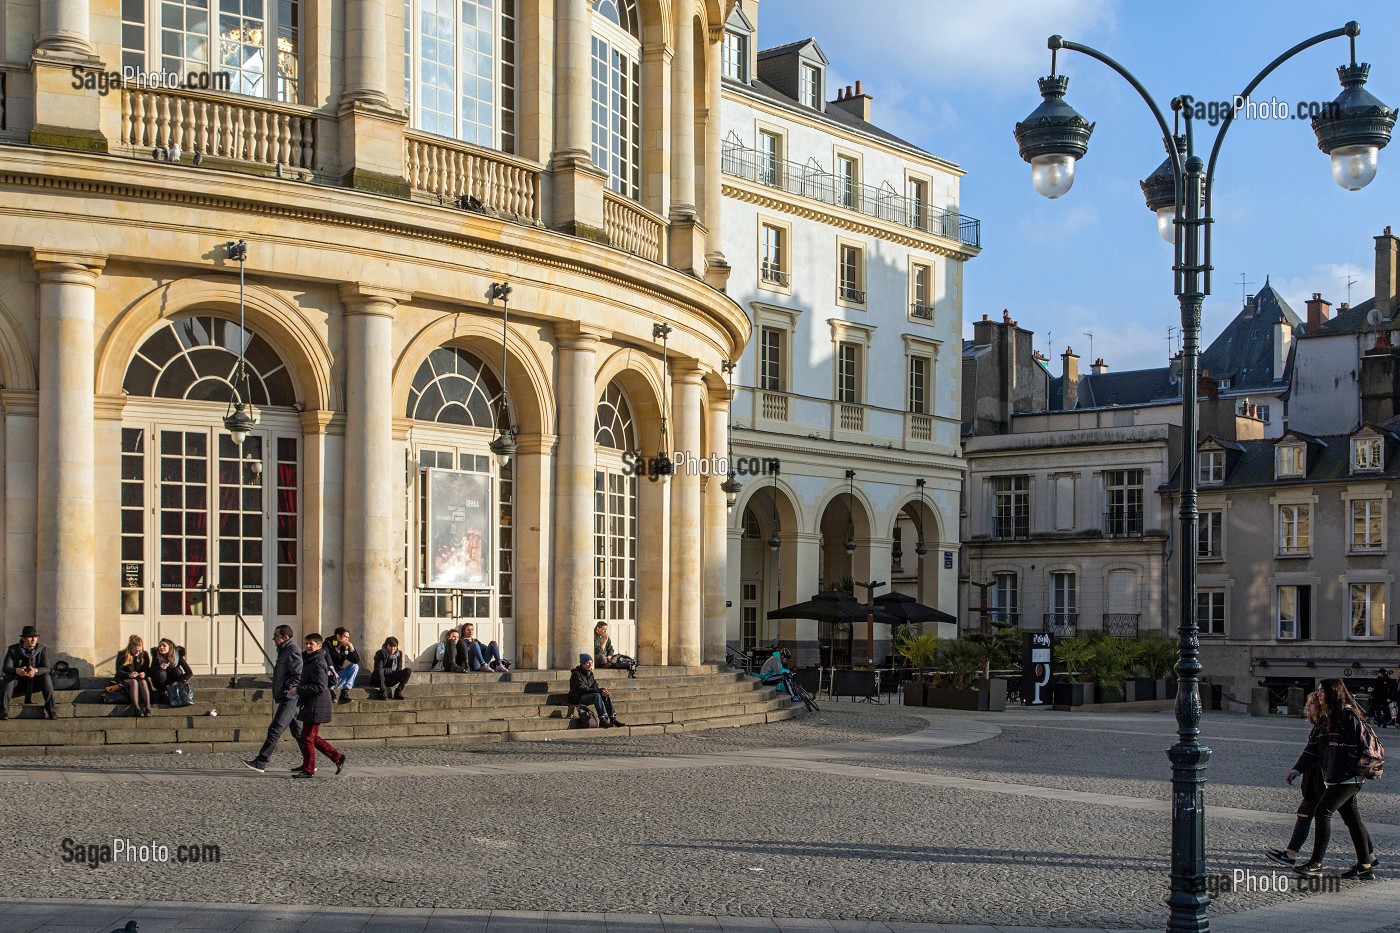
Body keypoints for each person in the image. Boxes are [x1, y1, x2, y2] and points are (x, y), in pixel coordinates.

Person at [1289, 679, 1378, 878]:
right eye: (1318, 691)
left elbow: (1355, 749)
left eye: (1322, 691)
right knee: (1353, 821)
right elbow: (1312, 749)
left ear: (1332, 693)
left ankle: (1316, 863)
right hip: (1336, 778)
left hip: (1348, 778)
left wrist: (1345, 771)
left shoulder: (1347, 716)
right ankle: (1366, 866)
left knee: (1322, 812)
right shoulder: (1325, 718)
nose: (1319, 694)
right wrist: (1297, 770)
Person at [1266, 691, 1326, 867]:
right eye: (1308, 703)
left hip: (1321, 781)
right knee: (1307, 814)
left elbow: (1313, 753)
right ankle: (1367, 858)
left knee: (1308, 813)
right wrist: (1297, 770)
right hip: (1317, 781)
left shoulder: (1324, 726)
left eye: (1312, 703)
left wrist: (1298, 769)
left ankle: (1295, 856)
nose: (1308, 706)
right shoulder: (1319, 726)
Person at [245, 624, 303, 773]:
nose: (273, 638)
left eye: (276, 635)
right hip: (288, 695)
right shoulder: (284, 650)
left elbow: (298, 674)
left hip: (291, 697)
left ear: (285, 637)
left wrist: (286, 687)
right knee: (298, 732)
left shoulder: (292, 650)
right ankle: (311, 762)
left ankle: (261, 761)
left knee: (276, 728)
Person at [291, 632, 346, 778]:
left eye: (311, 644)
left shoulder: (318, 662)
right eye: (307, 643)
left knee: (308, 737)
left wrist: (298, 689)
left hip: (317, 704)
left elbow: (320, 686)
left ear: (319, 646)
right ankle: (336, 757)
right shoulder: (310, 659)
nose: (308, 646)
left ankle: (309, 769)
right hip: (312, 703)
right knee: (310, 736)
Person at [1, 625, 56, 720]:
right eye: (30, 637)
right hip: (18, 682)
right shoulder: (13, 650)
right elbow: (6, 668)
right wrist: (17, 671)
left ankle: (51, 711)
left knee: (46, 677)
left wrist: (35, 671)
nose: (33, 640)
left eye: (35, 637)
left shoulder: (41, 649)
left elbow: (47, 668)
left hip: (35, 682)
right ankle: (3, 712)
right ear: (23, 638)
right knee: (8, 677)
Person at [568, 654, 626, 728]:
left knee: (604, 694)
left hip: (587, 695)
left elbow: (595, 686)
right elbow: (583, 689)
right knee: (597, 695)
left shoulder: (590, 674)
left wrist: (602, 690)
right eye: (588, 663)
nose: (590, 665)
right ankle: (602, 719)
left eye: (591, 663)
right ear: (582, 664)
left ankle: (612, 718)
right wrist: (599, 691)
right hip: (578, 697)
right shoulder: (576, 674)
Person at [116, 634, 153, 718]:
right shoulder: (122, 654)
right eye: (135, 650)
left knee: (143, 681)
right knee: (134, 682)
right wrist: (129, 674)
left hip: (140, 679)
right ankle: (137, 709)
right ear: (130, 648)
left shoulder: (144, 654)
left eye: (140, 650)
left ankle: (147, 708)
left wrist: (144, 674)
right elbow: (118, 671)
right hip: (125, 679)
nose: (138, 652)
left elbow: (147, 670)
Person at [149, 638, 192, 704]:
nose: (161, 647)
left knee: (177, 671)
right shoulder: (157, 657)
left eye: (164, 646)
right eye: (160, 646)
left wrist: (179, 681)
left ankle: (174, 693)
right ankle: (162, 694)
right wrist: (159, 667)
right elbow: (150, 672)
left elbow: (189, 672)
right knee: (161, 673)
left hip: (173, 682)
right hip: (160, 683)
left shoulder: (177, 656)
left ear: (170, 647)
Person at [325, 627, 360, 704]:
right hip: (328, 676)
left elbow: (356, 660)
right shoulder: (328, 643)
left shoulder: (345, 646)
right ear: (338, 636)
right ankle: (330, 691)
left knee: (355, 666)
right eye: (345, 637)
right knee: (327, 668)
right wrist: (334, 671)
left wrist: (351, 647)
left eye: (348, 637)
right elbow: (327, 659)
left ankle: (345, 691)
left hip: (338, 676)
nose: (347, 639)